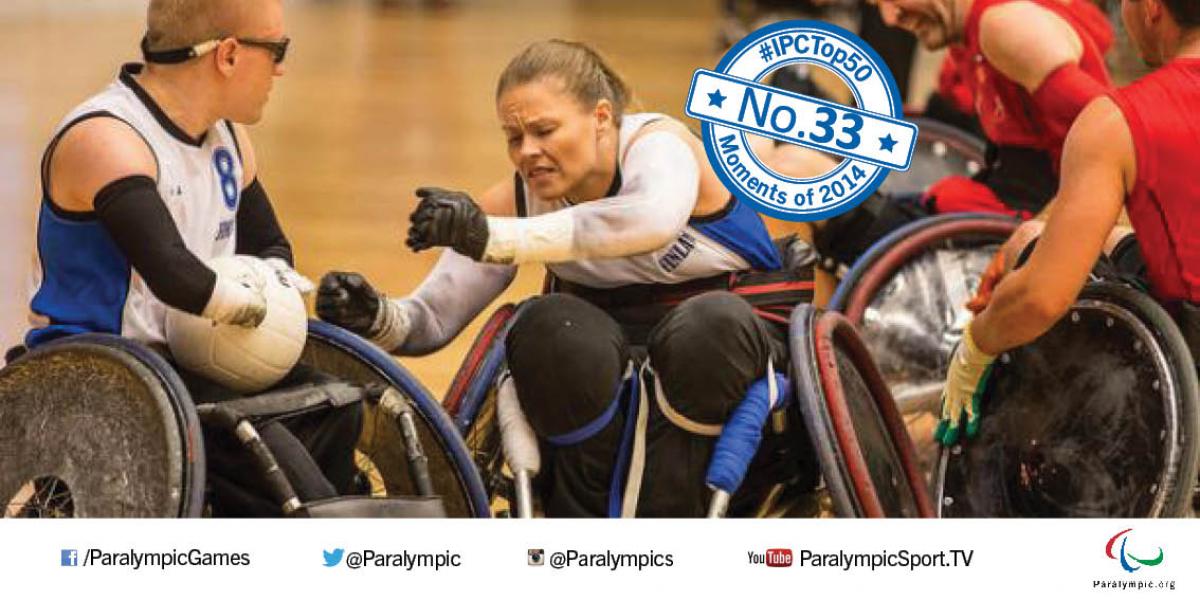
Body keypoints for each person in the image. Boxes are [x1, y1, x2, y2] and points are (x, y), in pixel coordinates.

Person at [318, 39, 817, 517]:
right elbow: (431, 319)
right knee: (546, 322)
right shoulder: (520, 196)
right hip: (605, 352)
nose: (527, 151)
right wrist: (375, 315)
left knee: (708, 324)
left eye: (544, 130)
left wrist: (492, 237)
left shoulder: (657, 143)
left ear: (601, 118)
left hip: (724, 344)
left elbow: (648, 220)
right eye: (514, 138)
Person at [23, 0, 361, 516]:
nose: (282, 68)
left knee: (337, 403)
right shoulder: (106, 138)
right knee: (278, 463)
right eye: (276, 50)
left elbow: (271, 248)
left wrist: (274, 286)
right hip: (102, 372)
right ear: (227, 55)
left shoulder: (228, 137)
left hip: (188, 362)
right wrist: (256, 305)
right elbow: (175, 277)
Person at [936, 0, 1200, 445]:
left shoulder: (1117, 119)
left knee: (1033, 273)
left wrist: (975, 347)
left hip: (1188, 364)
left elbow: (1040, 300)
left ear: (1152, 7)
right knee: (1032, 237)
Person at [812, 0, 1114, 273]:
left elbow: (1116, 134)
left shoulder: (1004, 26)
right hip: (976, 209)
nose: (890, 18)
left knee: (802, 180)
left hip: (997, 236)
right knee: (797, 168)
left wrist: (1039, 236)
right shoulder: (968, 32)